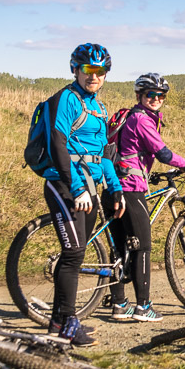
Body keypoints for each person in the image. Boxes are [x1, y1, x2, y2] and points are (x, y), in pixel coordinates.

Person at [42, 43, 125, 346]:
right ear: (75, 69)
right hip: (64, 184)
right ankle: (69, 324)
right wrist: (76, 186)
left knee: (74, 256)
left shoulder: (99, 108)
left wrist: (115, 189)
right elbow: (57, 144)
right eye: (88, 69)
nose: (94, 76)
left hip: (90, 187)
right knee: (74, 254)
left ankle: (56, 322)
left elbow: (103, 155)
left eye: (100, 70)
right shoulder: (67, 99)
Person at [102, 73, 185, 322]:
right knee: (142, 246)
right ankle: (143, 307)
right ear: (139, 96)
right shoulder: (142, 120)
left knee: (119, 247)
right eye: (150, 94)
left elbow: (132, 152)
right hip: (130, 188)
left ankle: (120, 304)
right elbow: (162, 153)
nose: (156, 99)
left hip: (112, 187)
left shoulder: (128, 117)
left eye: (160, 95)